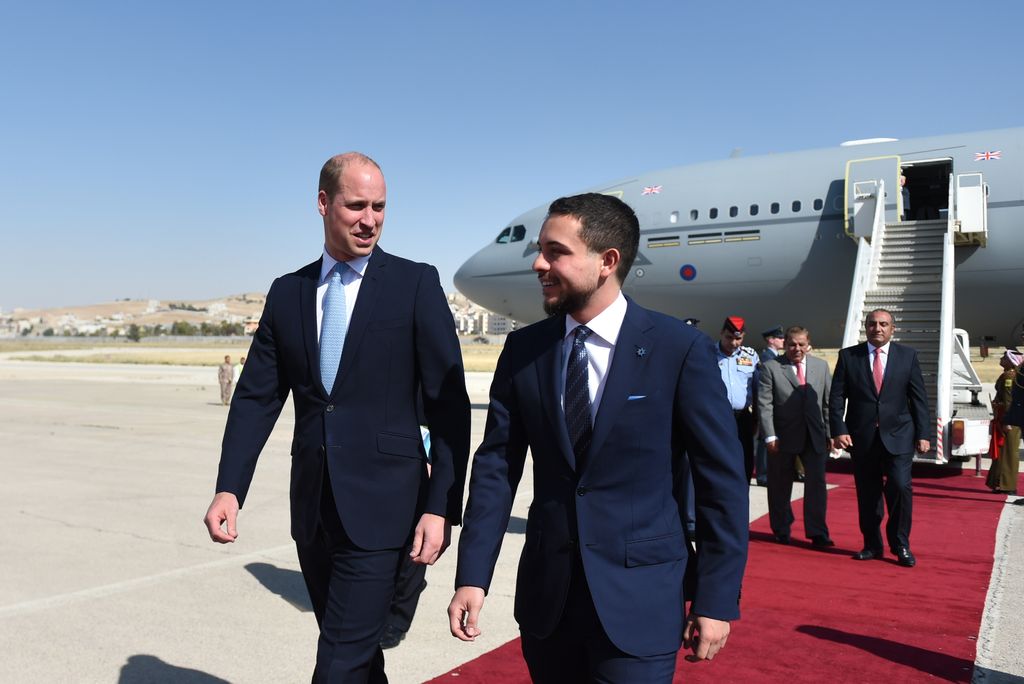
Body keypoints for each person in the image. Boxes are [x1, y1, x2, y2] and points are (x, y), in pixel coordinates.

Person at [447, 193, 748, 683]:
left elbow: (722, 484)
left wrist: (715, 597)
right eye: (540, 251)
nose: (540, 264)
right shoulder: (525, 351)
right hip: (549, 604)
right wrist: (472, 576)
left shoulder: (679, 350)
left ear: (608, 261)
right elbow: (496, 468)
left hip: (642, 602)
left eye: (556, 251)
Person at [203, 152, 471, 682]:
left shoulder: (414, 284)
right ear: (324, 204)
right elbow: (257, 397)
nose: (369, 219)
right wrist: (230, 487)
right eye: (356, 205)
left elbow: (449, 406)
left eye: (379, 207)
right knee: (356, 654)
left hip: (385, 512)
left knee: (338, 665)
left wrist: (440, 507)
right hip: (313, 510)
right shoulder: (289, 292)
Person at [829, 309, 930, 567]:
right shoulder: (849, 357)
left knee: (900, 486)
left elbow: (918, 398)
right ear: (866, 327)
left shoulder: (907, 356)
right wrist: (839, 429)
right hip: (862, 438)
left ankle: (901, 544)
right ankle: (872, 544)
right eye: (873, 324)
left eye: (884, 324)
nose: (878, 328)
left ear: (892, 329)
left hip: (899, 435)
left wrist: (923, 433)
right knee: (868, 494)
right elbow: (837, 397)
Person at [757, 326, 832, 546]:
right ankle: (781, 528)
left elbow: (827, 403)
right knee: (780, 485)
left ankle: (818, 532)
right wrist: (769, 436)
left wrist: (830, 433)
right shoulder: (771, 367)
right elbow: (764, 404)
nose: (796, 349)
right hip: (783, 436)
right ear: (785, 344)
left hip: (814, 436)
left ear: (808, 344)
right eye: (792, 344)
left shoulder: (821, 366)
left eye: (801, 344)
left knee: (817, 486)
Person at [716, 316, 760, 483]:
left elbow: (756, 389)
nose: (734, 343)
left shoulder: (751, 356)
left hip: (743, 417)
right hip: (718, 416)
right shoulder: (710, 354)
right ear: (721, 333)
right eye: (729, 337)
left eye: (738, 338)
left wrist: (756, 417)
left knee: (745, 459)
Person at [987, 350, 1023, 494]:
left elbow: (1009, 400)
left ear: (1011, 361)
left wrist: (1007, 420)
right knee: (1003, 452)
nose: (1001, 359)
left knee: (1009, 452)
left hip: (1009, 419)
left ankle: (1008, 485)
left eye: (1005, 357)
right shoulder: (1008, 374)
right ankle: (1000, 483)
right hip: (1005, 417)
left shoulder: (1010, 376)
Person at [754, 326, 786, 486]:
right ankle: (763, 474)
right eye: (779, 338)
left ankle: (767, 473)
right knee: (764, 438)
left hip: (775, 403)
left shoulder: (775, 357)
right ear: (771, 340)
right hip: (767, 403)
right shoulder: (766, 358)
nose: (783, 340)